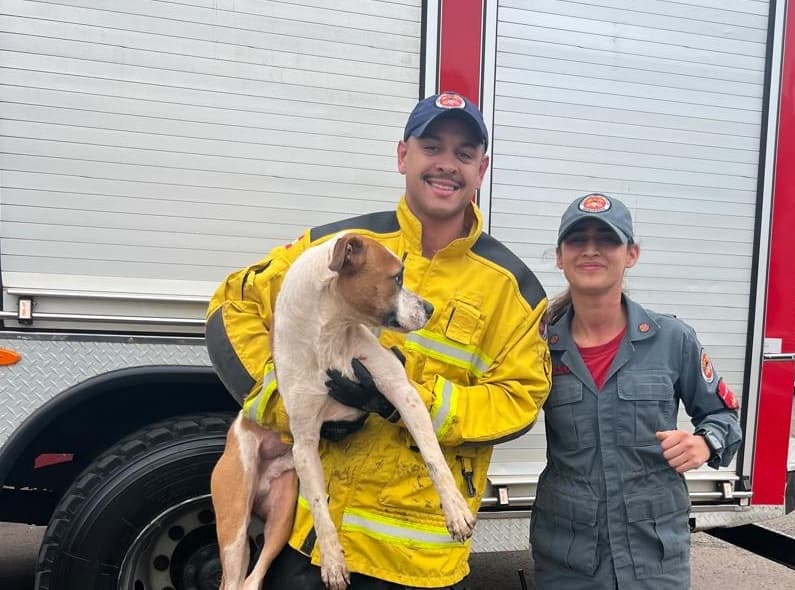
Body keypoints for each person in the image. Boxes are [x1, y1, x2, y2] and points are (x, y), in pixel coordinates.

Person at [205, 91, 552, 589]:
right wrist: (282, 400)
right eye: (431, 147)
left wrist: (406, 402)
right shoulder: (338, 248)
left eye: (464, 153)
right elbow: (232, 302)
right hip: (316, 551)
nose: (446, 164)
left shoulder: (512, 289)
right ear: (402, 156)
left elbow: (519, 401)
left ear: (482, 170)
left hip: (420, 560)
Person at [530, 193, 742, 589]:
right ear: (559, 256)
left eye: (606, 239)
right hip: (568, 559)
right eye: (577, 240)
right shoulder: (537, 347)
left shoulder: (672, 339)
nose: (591, 249)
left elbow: (723, 416)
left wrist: (704, 443)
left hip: (654, 558)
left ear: (631, 254)